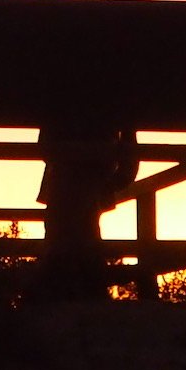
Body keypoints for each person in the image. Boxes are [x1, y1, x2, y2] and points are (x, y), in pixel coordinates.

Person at [37, 122, 139, 299]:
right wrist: (121, 175)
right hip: (85, 177)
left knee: (69, 235)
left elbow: (45, 144)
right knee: (81, 234)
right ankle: (86, 291)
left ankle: (64, 291)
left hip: (69, 177)